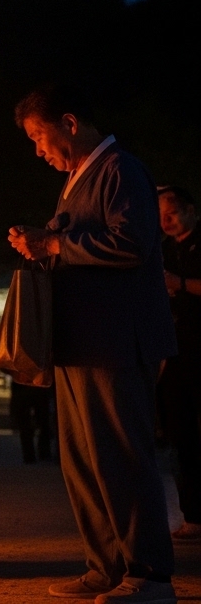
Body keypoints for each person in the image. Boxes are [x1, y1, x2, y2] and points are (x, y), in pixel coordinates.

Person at [9, 85, 176, 603]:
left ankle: (150, 575)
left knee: (122, 456)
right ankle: (105, 566)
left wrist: (55, 243)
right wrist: (42, 243)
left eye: (39, 136)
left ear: (70, 122)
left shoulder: (120, 169)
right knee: (82, 460)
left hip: (115, 341)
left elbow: (132, 244)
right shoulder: (76, 180)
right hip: (78, 342)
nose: (38, 150)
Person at [158, 185, 201, 542]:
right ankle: (194, 516)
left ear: (190, 209)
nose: (165, 222)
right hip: (176, 354)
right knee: (181, 437)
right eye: (160, 216)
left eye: (171, 213)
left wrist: (180, 283)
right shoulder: (162, 250)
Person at [8, 381, 53, 464]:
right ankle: (42, 451)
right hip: (39, 386)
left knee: (26, 424)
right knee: (42, 421)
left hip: (23, 386)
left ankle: (29, 454)